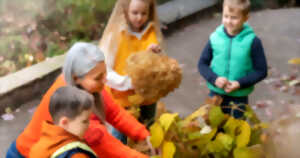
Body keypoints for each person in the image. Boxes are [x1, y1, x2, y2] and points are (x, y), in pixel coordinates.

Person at [6, 42, 150, 158]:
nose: (105, 80)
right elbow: (110, 148)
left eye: (105, 72)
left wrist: (145, 135)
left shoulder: (87, 87)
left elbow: (115, 113)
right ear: (76, 77)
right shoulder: (74, 108)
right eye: (98, 77)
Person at [99, 0, 164, 143]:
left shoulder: (151, 33)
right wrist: (126, 82)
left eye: (144, 13)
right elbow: (104, 69)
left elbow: (157, 66)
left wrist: (155, 55)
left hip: (147, 97)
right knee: (120, 137)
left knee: (148, 132)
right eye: (135, 13)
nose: (139, 18)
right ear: (125, 11)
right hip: (122, 98)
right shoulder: (115, 36)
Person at [198, 0, 268, 118]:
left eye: (234, 18)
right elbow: (202, 64)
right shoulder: (215, 38)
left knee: (236, 131)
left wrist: (239, 83)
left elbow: (261, 71)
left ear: (246, 18)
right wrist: (214, 79)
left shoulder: (253, 41)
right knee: (212, 129)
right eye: (225, 16)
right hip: (215, 95)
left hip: (238, 98)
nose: (229, 21)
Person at [30, 86, 97, 158]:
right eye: (84, 121)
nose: (88, 125)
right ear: (64, 122)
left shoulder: (40, 146)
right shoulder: (76, 155)